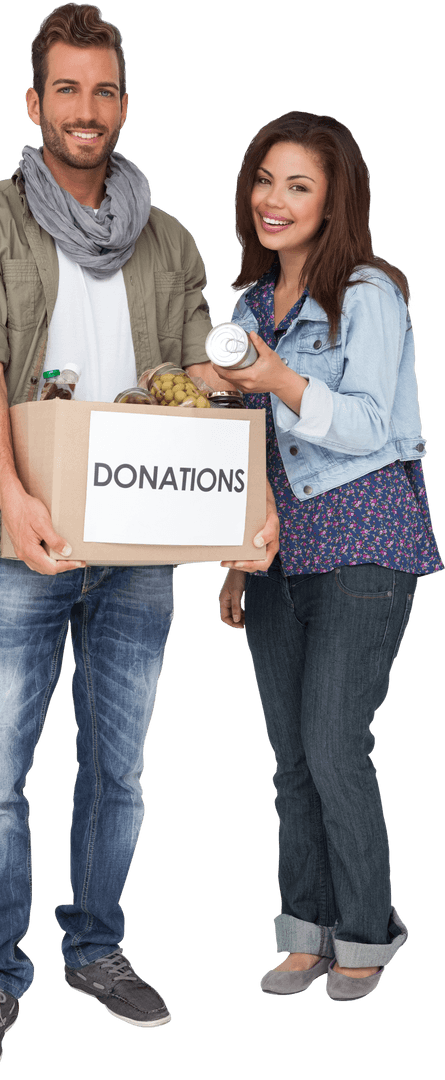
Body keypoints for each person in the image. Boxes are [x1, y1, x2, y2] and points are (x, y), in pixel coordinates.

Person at [0, 5, 279, 1074]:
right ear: (35, 104)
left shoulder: (166, 237)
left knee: (118, 776)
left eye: (105, 90)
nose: (88, 110)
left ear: (124, 104)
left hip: (137, 545)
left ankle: (96, 951)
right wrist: (16, 492)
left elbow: (203, 389)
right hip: (16, 542)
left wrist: (248, 503)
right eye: (67, 91)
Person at [218, 111, 443, 1003]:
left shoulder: (370, 294)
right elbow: (246, 457)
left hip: (363, 542)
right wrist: (237, 559)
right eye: (264, 180)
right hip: (277, 553)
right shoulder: (244, 309)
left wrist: (278, 379)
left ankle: (366, 930)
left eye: (297, 185)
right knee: (288, 756)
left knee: (333, 744)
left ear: (332, 198)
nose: (272, 200)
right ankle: (302, 931)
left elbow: (369, 426)